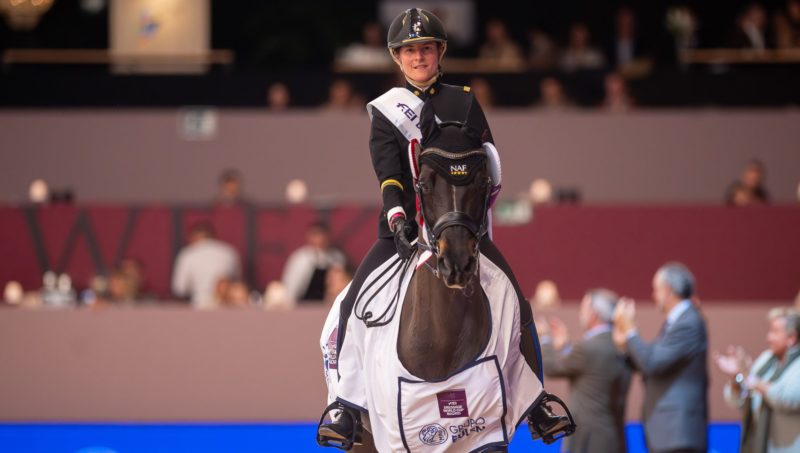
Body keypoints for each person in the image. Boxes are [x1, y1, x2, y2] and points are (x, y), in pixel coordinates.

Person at [317, 7, 573, 448]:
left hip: (460, 224)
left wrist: (474, 220)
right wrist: (399, 219)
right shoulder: (386, 112)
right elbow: (390, 175)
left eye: (427, 49)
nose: (419, 58)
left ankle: (537, 403)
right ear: (398, 58)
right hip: (403, 228)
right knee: (349, 307)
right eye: (411, 51)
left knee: (517, 302)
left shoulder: (464, 101)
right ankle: (346, 404)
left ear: (440, 53)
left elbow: (485, 161)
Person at [612, 262, 709, 453]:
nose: (653, 296)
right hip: (668, 433)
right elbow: (649, 361)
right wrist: (625, 345)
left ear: (668, 291)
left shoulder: (688, 322)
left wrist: (631, 330)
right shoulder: (675, 322)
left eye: (656, 290)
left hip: (678, 433)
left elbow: (652, 363)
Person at [539, 289, 632, 453]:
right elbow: (588, 371)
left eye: (583, 309)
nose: (580, 314)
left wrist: (545, 338)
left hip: (587, 441)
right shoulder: (623, 346)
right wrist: (565, 348)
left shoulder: (587, 348)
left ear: (593, 314)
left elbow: (553, 368)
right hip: (614, 439)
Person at [715, 308, 800, 453]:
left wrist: (748, 376)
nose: (768, 337)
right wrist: (736, 377)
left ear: (791, 338)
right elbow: (739, 399)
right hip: (759, 446)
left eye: (775, 332)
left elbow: (787, 399)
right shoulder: (766, 359)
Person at [172, 222, 241, 309]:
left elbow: (179, 289)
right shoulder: (229, 251)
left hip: (198, 305)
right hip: (227, 307)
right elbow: (237, 282)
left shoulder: (187, 254)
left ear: (195, 237)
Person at [281, 221, 348, 303]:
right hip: (302, 307)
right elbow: (291, 288)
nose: (319, 239)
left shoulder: (337, 258)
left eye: (321, 235)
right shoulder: (300, 259)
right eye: (315, 235)